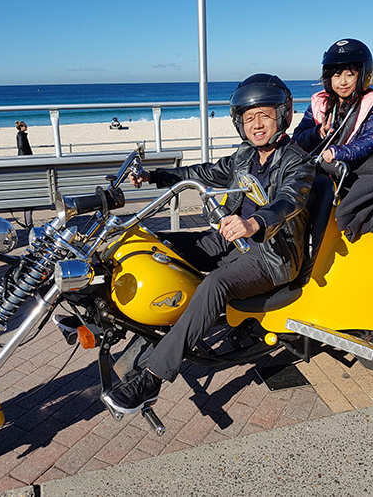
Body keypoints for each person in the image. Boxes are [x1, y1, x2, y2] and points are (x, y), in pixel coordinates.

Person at [104, 74, 317, 414]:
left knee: (214, 285)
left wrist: (254, 222)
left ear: (283, 115)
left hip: (272, 255)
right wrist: (155, 176)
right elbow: (203, 172)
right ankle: (104, 306)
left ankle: (151, 378)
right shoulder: (245, 155)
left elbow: (291, 199)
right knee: (158, 244)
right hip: (229, 239)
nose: (257, 125)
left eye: (264, 115)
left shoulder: (297, 161)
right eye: (249, 118)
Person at [293, 38, 373, 166]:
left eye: (350, 75)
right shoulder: (320, 104)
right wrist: (317, 132)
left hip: (345, 170)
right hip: (315, 166)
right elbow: (298, 137)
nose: (343, 82)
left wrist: (340, 152)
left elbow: (371, 139)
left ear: (363, 76)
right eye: (337, 75)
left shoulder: (369, 105)